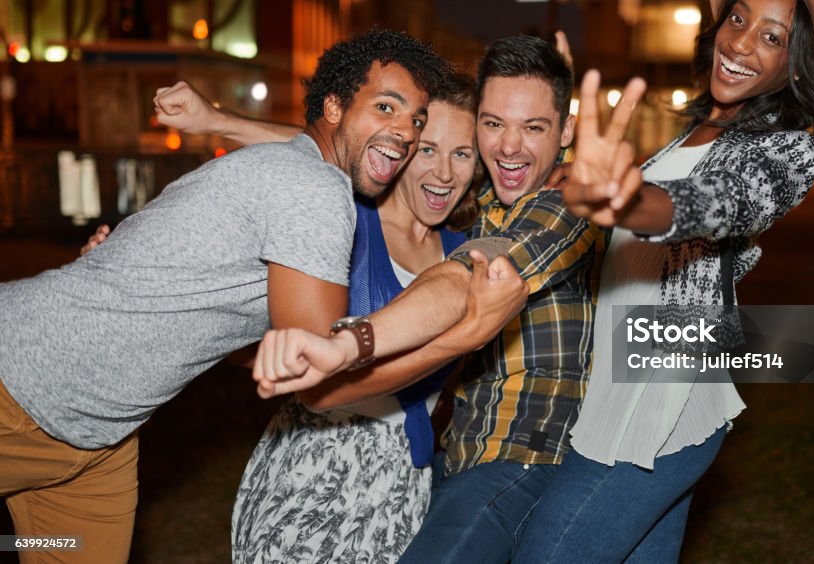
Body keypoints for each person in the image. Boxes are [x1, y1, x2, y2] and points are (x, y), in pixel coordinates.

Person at [0, 30, 525, 563]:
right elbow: (321, 386)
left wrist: (218, 122)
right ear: (335, 105)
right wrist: (468, 334)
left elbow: (238, 328)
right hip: (21, 381)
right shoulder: (314, 190)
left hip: (98, 439)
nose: (405, 134)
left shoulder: (304, 176)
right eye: (387, 108)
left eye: (414, 121)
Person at [512, 0, 814, 562]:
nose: (741, 42)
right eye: (739, 18)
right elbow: (632, 216)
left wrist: (631, 203)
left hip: (665, 393)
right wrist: (579, 174)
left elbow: (712, 205)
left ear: (798, 66)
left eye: (772, 37)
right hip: (621, 378)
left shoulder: (786, 151)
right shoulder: (692, 134)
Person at [248, 34, 606, 563]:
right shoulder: (464, 206)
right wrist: (219, 121)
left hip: (509, 457)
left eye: (534, 126)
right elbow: (330, 144)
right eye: (494, 125)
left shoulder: (554, 205)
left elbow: (466, 277)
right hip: (412, 463)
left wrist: (351, 345)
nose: (509, 145)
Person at [231, 73, 483, 563]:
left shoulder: (466, 254)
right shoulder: (346, 219)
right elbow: (303, 153)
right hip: (314, 464)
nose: (446, 173)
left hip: (405, 482)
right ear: (402, 150)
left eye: (463, 153)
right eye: (428, 149)